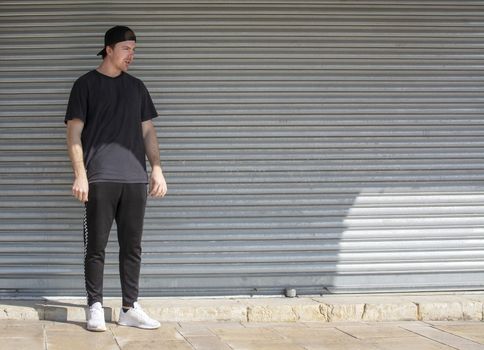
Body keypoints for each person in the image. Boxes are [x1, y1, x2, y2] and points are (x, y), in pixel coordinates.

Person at [65, 25, 167, 331]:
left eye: (134, 50)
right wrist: (80, 175)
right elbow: (73, 132)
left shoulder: (137, 88)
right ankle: (94, 306)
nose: (131, 55)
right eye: (126, 49)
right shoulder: (85, 85)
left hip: (135, 178)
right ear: (108, 49)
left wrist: (157, 168)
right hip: (99, 178)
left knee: (132, 246)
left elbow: (148, 130)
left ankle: (129, 307)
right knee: (95, 247)